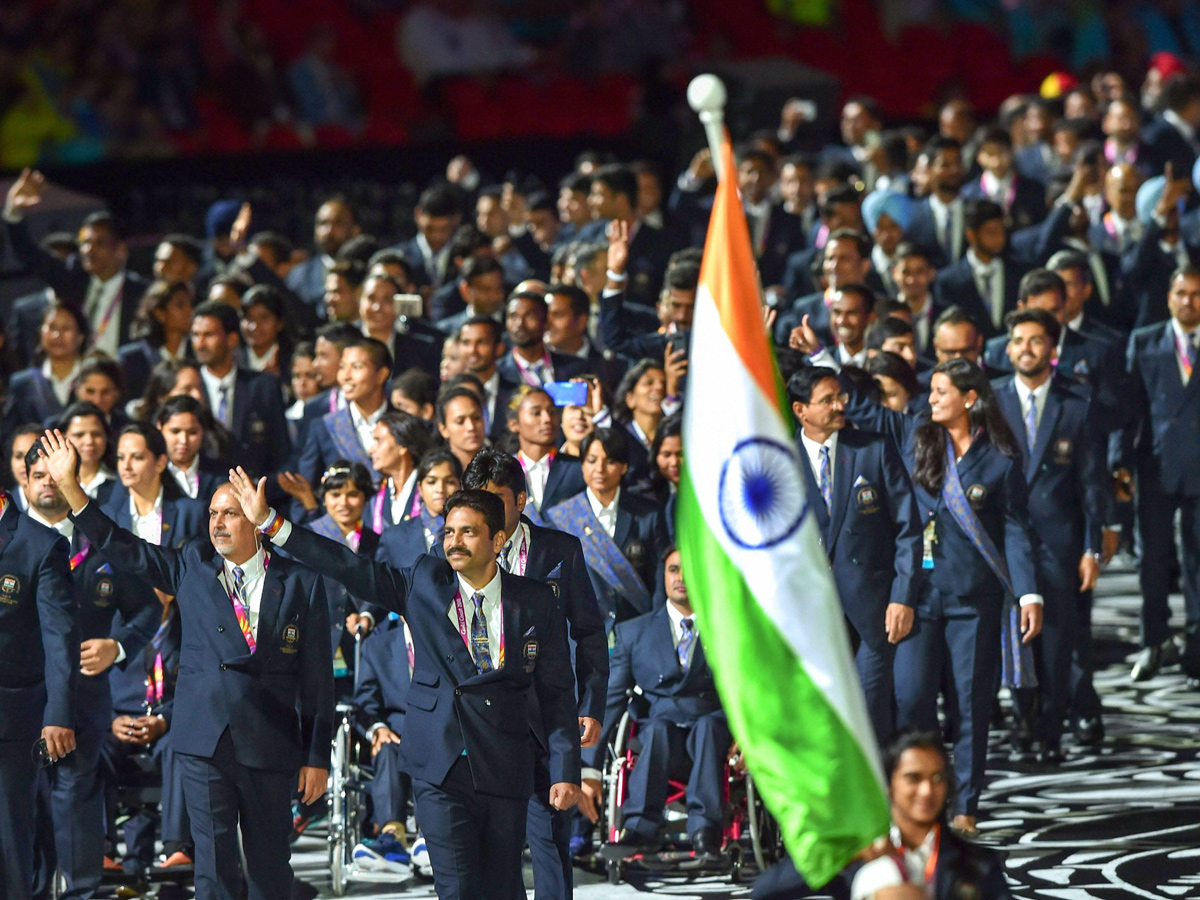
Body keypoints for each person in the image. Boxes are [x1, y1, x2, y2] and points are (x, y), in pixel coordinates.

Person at [236, 478, 581, 900]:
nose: (454, 541)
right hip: (439, 765)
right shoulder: (424, 581)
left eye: (469, 531)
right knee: (456, 887)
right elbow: (346, 565)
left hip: (505, 763)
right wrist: (273, 524)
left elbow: (558, 692)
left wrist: (565, 769)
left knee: (503, 887)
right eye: (449, 531)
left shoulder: (536, 600)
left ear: (499, 539)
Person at [39, 429, 334, 900]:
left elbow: (319, 679)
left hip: (270, 741)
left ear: (257, 523)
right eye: (212, 513)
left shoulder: (300, 582)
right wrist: (73, 490)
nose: (217, 523)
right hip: (204, 742)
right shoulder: (191, 564)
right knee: (213, 873)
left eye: (230, 514)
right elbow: (120, 545)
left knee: (270, 874)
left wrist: (317, 757)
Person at [797, 318, 1041, 833]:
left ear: (970, 399)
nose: (929, 399)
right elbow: (860, 408)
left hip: (973, 600)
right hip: (916, 596)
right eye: (929, 390)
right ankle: (924, 790)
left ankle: (966, 805)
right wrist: (822, 354)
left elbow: (1017, 532)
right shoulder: (912, 434)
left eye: (941, 392)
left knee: (973, 707)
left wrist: (1028, 593)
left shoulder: (998, 461)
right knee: (910, 698)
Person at [462, 449, 608, 900]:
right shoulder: (449, 550)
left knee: (549, 840)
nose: (485, 515)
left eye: (496, 503)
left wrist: (591, 705)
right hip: (481, 726)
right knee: (490, 851)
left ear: (521, 500)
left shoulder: (561, 550)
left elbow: (588, 631)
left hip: (546, 719)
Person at [24, 439, 159, 900]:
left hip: (86, 697)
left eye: (55, 475)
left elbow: (148, 612)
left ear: (73, 479)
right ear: (23, 481)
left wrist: (117, 648)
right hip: (20, 696)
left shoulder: (101, 542)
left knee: (75, 797)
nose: (47, 484)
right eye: (37, 475)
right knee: (21, 802)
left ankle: (79, 891)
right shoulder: (8, 541)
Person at [990, 309, 1107, 757]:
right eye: (1017, 340)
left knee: (1058, 640)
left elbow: (1093, 482)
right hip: (1003, 541)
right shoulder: (990, 399)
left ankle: (1052, 728)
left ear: (1053, 350)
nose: (1025, 348)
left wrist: (1093, 546)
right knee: (1015, 633)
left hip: (1061, 542)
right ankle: (1023, 717)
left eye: (1035, 340)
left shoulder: (1077, 403)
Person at [787, 366, 922, 743]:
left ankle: (877, 798)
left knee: (868, 713)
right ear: (801, 410)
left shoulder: (873, 449)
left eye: (839, 397)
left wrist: (902, 596)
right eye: (826, 400)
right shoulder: (779, 461)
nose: (837, 406)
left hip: (872, 612)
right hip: (811, 617)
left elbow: (908, 529)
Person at [583, 547, 729, 859]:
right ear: (663, 575)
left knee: (707, 727)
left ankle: (705, 831)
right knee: (659, 729)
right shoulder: (634, 632)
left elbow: (748, 691)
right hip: (660, 740)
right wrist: (590, 769)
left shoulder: (727, 628)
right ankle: (638, 829)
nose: (681, 578)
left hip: (712, 735)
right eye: (674, 569)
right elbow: (611, 700)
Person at [752, 730, 1013, 900]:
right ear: (888, 784)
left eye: (937, 778)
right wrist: (842, 856)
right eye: (913, 778)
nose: (926, 790)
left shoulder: (977, 864)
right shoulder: (858, 856)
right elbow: (764, 892)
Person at [1116, 266, 1200, 684]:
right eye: (1182, 293)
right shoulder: (1145, 342)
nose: (1189, 301)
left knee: (1198, 560)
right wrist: (1119, 463)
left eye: (1196, 294)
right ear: (1169, 297)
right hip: (1155, 469)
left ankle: (1197, 650)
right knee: (1152, 560)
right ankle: (1154, 641)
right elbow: (1127, 410)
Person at [0, 460, 76, 900]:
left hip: (12, 720)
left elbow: (60, 639)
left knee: (12, 843)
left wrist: (59, 714)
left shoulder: (40, 545)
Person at [4, 172, 147, 356]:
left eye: (99, 244)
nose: (88, 250)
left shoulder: (141, 294)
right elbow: (29, 254)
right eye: (85, 243)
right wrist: (14, 212)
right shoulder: (72, 279)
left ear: (120, 250)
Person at [546, 429, 667, 630]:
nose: (600, 469)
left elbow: (659, 579)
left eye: (610, 461)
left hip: (636, 628)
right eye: (592, 460)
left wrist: (655, 626)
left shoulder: (648, 515)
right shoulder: (563, 518)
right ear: (582, 465)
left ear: (624, 467)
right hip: (582, 635)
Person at [190, 300, 291, 480]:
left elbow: (281, 451)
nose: (200, 344)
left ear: (232, 339)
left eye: (209, 335)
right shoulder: (186, 385)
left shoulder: (264, 386)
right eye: (196, 335)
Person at [347, 612, 416, 872]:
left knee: (434, 751)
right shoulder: (377, 646)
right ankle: (391, 837)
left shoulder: (443, 637)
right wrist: (377, 729)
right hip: (395, 734)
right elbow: (363, 703)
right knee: (386, 749)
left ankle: (429, 838)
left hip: (438, 734)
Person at [296, 337, 392, 489]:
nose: (346, 376)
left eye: (357, 367)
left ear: (381, 375)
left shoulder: (407, 425)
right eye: (342, 367)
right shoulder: (323, 428)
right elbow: (305, 490)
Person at [3, 303, 87, 433]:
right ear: (40, 332)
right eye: (51, 327)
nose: (57, 335)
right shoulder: (22, 383)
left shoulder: (93, 379)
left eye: (66, 328)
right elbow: (9, 434)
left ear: (81, 337)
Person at [506, 387, 585, 524]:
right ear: (514, 424)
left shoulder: (577, 469)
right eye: (536, 413)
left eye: (552, 412)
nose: (547, 419)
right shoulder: (503, 471)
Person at [376, 448, 461, 568]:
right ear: (420, 487)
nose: (440, 489)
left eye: (450, 482)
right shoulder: (394, 538)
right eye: (432, 482)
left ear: (460, 486)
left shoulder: (471, 534)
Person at [118, 279, 194, 397]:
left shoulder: (197, 354)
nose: (189, 311)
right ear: (159, 313)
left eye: (190, 304)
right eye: (180, 305)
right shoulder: (132, 358)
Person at [497, 291, 587, 388]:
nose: (519, 324)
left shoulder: (576, 367)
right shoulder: (498, 373)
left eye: (529, 316)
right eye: (513, 316)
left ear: (546, 322)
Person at [365, 410, 432, 533]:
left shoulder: (431, 488)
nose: (371, 449)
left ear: (402, 445)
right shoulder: (374, 496)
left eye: (379, 441)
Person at [156, 395, 227, 502]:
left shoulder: (221, 475)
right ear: (160, 428)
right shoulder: (151, 475)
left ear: (203, 431)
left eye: (192, 432)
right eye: (175, 431)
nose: (183, 440)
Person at [58, 402, 117, 505]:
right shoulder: (52, 481)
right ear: (63, 437)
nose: (89, 441)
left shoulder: (120, 481)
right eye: (79, 435)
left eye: (96, 434)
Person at [437, 386, 487, 472]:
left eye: (476, 418)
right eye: (460, 421)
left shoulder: (500, 465)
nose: (471, 427)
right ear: (444, 429)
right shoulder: (437, 470)